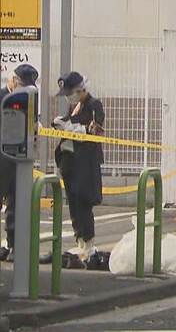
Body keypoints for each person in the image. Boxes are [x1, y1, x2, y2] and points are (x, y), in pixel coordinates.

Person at [53, 72, 105, 261]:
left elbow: (96, 130)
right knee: (73, 204)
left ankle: (89, 245)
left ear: (80, 89)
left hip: (85, 162)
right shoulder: (74, 106)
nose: (69, 97)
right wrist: (62, 124)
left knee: (84, 203)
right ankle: (80, 242)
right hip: (70, 161)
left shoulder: (93, 105)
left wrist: (73, 128)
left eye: (71, 92)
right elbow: (68, 123)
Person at [0, 63, 38, 261]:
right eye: (22, 84)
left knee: (17, 203)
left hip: (19, 159)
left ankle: (15, 245)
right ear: (13, 80)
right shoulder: (2, 97)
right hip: (2, 158)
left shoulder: (30, 97)